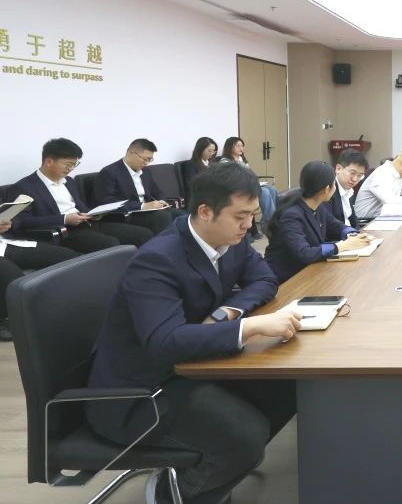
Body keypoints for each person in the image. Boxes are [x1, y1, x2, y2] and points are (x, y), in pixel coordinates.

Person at [86, 162, 300, 504]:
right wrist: (248, 326)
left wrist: (225, 314)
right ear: (205, 211)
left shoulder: (231, 240)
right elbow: (164, 342)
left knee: (287, 388)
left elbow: (264, 279)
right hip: (141, 393)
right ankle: (174, 494)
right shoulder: (157, 260)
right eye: (240, 216)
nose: (249, 226)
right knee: (244, 436)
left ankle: (214, 468)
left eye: (252, 215)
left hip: (193, 365)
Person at [12, 138, 153, 252]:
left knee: (143, 234)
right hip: (64, 231)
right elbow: (23, 221)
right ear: (49, 162)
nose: (71, 169)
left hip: (87, 223)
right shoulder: (24, 187)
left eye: (75, 164)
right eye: (68, 164)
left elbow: (81, 206)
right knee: (110, 243)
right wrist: (65, 219)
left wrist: (94, 213)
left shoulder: (69, 181)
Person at [264, 161, 372, 282]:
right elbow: (304, 253)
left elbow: (335, 225)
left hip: (308, 270)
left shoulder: (317, 206)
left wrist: (353, 234)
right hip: (287, 278)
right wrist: (341, 246)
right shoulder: (291, 215)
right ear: (327, 189)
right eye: (334, 184)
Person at [0, 218, 79, 341]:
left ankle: (66, 307)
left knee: (67, 256)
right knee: (14, 278)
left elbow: (18, 219)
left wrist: (9, 223)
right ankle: (6, 320)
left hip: (5, 243)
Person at [95, 138, 176, 235]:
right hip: (127, 214)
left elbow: (157, 191)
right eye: (145, 159)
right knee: (162, 217)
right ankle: (163, 244)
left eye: (150, 159)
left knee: (181, 215)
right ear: (131, 153)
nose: (146, 163)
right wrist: (142, 206)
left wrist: (162, 201)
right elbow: (107, 201)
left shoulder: (146, 171)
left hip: (148, 210)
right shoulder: (109, 172)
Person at [219, 136, 278, 239]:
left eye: (242, 146)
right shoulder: (225, 162)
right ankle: (271, 224)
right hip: (237, 188)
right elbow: (231, 179)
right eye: (238, 146)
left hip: (248, 185)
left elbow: (250, 175)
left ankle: (268, 220)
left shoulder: (242, 160)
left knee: (272, 189)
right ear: (230, 147)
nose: (241, 148)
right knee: (265, 192)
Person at [354, 149, 402, 221]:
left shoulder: (396, 173)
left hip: (383, 216)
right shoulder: (382, 174)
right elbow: (390, 200)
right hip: (366, 222)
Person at [327, 149, 367, 231]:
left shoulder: (349, 191)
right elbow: (329, 225)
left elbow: (354, 222)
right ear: (338, 169)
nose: (355, 179)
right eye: (352, 173)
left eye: (359, 175)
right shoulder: (328, 191)